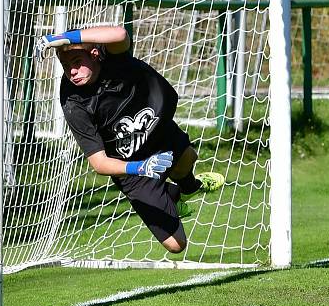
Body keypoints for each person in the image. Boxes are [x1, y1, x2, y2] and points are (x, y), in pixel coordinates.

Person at [35, 25, 224, 253]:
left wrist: (66, 38)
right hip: (132, 168)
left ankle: (190, 187)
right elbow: (99, 163)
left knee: (188, 157)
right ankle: (170, 196)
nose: (72, 72)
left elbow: (120, 35)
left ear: (94, 54)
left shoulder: (113, 60)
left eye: (76, 62)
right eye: (66, 66)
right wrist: (140, 168)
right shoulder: (73, 102)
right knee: (176, 245)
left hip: (156, 132)